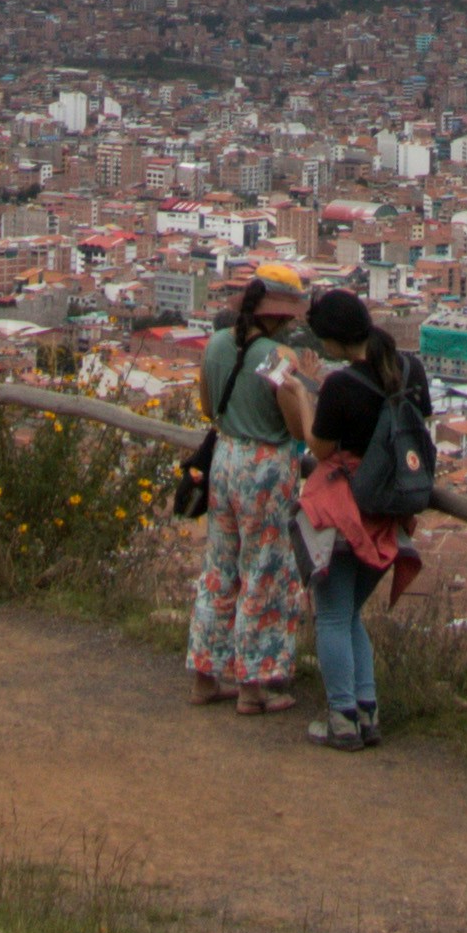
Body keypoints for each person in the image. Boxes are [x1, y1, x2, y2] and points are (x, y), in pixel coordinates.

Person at [291, 285, 423, 750]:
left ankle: (342, 718)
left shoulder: (341, 385)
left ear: (332, 341)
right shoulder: (410, 368)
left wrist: (303, 398)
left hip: (345, 510)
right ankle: (366, 712)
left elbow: (320, 448)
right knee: (349, 615)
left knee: (331, 614)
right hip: (390, 510)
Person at [183, 270, 309, 716]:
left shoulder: (216, 344)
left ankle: (205, 675)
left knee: (219, 569)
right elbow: (296, 428)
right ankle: (252, 686)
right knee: (263, 573)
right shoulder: (278, 357)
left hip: (225, 460)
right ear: (278, 316)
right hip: (266, 469)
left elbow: (205, 405)